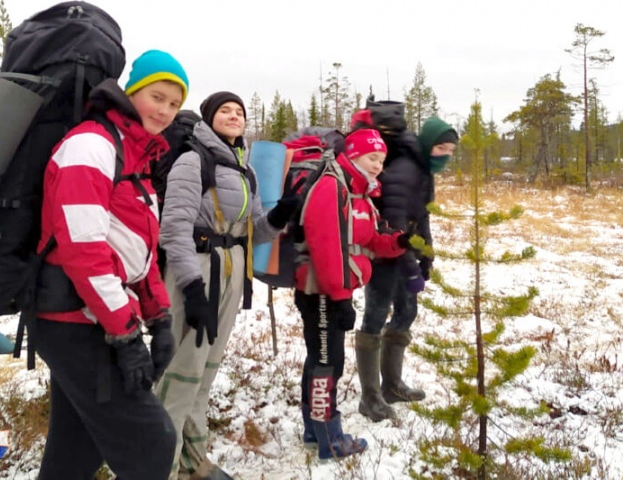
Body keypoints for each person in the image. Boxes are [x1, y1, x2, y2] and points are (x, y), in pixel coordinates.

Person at [33, 49, 189, 480]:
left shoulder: (136, 158)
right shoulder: (91, 145)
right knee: (152, 445)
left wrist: (158, 318)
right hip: (73, 319)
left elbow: (139, 253)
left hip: (90, 316)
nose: (165, 111)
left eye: (174, 104)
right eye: (156, 96)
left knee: (75, 449)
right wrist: (124, 334)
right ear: (131, 92)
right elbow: (83, 250)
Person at [155, 91, 298, 480]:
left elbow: (253, 233)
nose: (235, 116)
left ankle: (192, 460)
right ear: (209, 117)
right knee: (179, 374)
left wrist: (281, 214)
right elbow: (174, 230)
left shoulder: (244, 171)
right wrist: (190, 288)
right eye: (225, 110)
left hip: (231, 276)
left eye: (240, 112)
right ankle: (159, 467)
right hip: (197, 275)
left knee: (203, 374)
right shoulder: (192, 160)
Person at [294, 128, 410, 460]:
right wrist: (340, 297)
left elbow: (366, 241)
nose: (378, 165)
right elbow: (327, 248)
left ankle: (313, 429)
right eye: (373, 157)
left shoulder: (358, 192)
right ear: (355, 154)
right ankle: (329, 439)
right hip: (321, 290)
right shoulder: (332, 187)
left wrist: (396, 243)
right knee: (328, 363)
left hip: (334, 289)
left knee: (322, 359)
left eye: (382, 160)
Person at [351, 101, 458, 422]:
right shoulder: (405, 172)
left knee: (407, 312)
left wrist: (426, 255)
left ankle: (392, 385)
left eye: (450, 149)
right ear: (427, 144)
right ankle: (370, 397)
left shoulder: (422, 168)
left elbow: (419, 218)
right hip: (385, 254)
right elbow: (396, 226)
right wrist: (413, 267)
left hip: (404, 254)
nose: (445, 154)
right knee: (375, 316)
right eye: (441, 147)